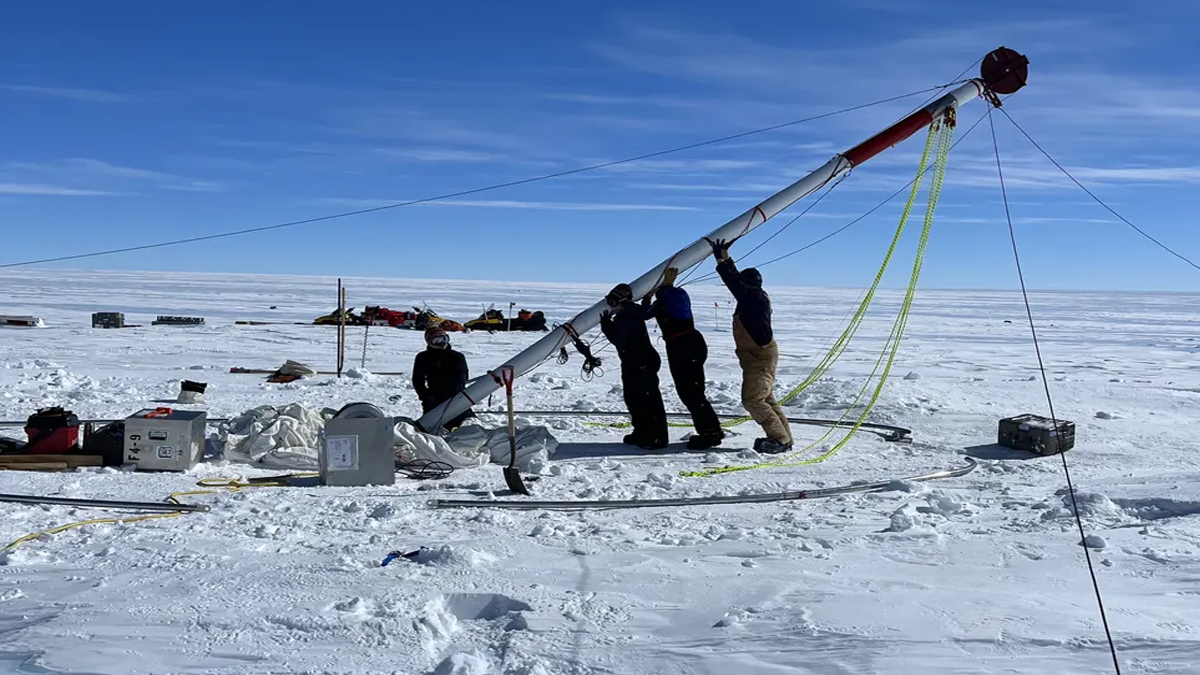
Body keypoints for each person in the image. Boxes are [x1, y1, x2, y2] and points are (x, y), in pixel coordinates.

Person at [708, 238, 794, 453]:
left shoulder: (753, 298)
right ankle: (784, 438)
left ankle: (779, 439)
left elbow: (733, 281)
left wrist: (722, 258)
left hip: (759, 357)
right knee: (764, 398)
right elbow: (736, 282)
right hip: (758, 356)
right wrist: (725, 257)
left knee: (753, 400)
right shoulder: (753, 297)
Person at [642, 267, 724, 450]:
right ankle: (712, 430)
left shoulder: (677, 297)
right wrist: (647, 297)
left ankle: (709, 434)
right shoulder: (664, 303)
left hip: (686, 346)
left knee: (692, 393)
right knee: (690, 392)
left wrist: (665, 287)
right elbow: (645, 314)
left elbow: (670, 298)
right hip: (682, 347)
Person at [600, 282, 668, 449]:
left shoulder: (628, 316)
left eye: (612, 302)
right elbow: (646, 312)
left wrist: (607, 327)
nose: (611, 306)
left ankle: (655, 437)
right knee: (634, 399)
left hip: (640, 363)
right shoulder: (631, 313)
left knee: (646, 400)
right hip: (634, 363)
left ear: (621, 301)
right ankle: (642, 432)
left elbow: (618, 339)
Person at [412, 324, 475, 431]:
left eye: (444, 339)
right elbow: (418, 379)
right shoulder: (423, 357)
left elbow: (464, 377)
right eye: (437, 340)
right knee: (430, 429)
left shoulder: (457, 356)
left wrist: (460, 393)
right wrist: (424, 396)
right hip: (434, 399)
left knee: (469, 426)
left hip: (457, 397)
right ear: (429, 342)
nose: (442, 343)